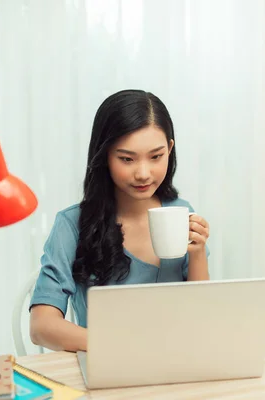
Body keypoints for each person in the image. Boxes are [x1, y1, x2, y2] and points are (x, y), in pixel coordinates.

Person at [29, 89, 210, 352]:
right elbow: (41, 327)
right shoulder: (72, 224)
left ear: (170, 149)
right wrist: (124, 347)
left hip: (177, 361)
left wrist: (198, 253)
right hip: (108, 363)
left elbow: (201, 313)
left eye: (156, 156)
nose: (143, 173)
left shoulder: (182, 212)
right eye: (127, 159)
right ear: (104, 156)